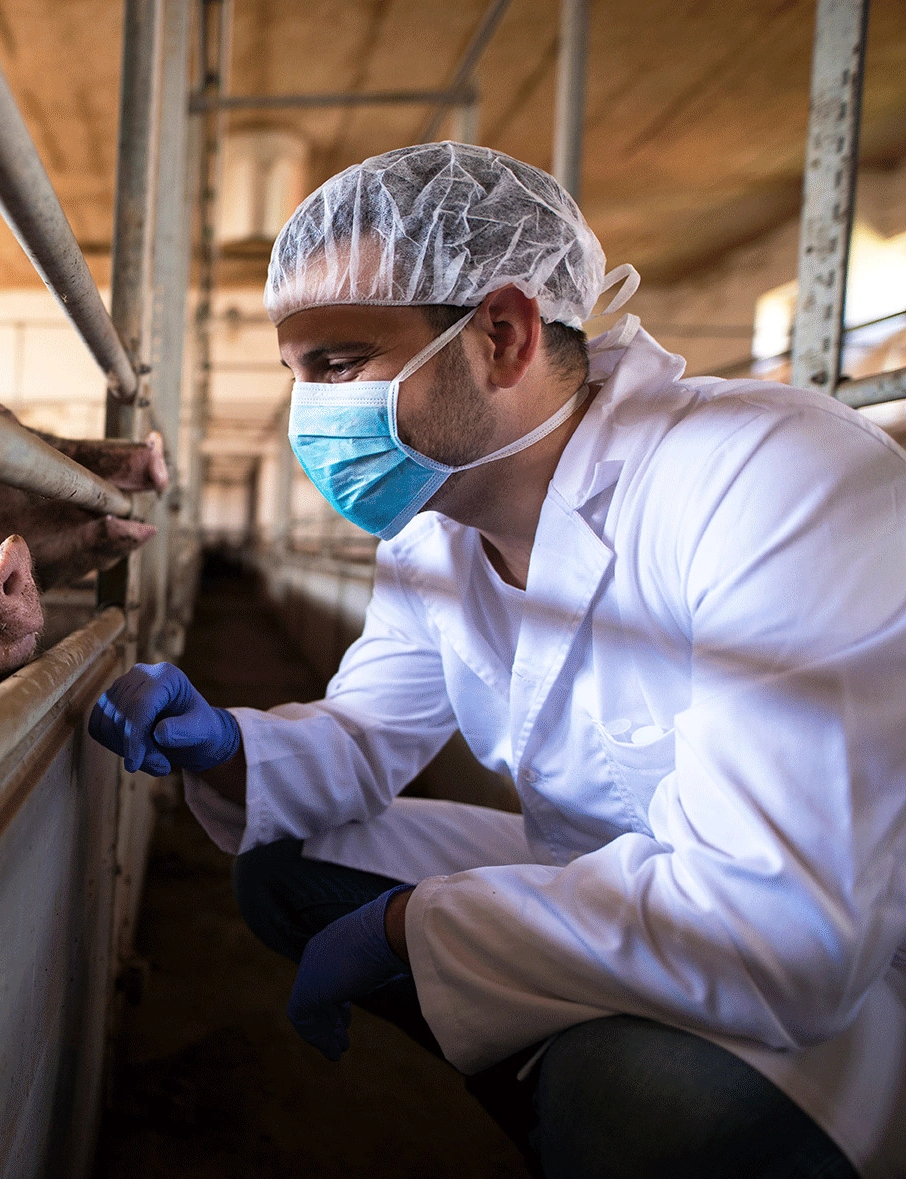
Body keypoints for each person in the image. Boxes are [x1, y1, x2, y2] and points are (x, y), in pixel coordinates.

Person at [90, 142, 906, 1178]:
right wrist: (224, 747)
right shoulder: (430, 530)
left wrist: (405, 926)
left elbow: (782, 929)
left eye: (338, 365)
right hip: (599, 877)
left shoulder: (769, 477)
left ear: (502, 335)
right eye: (297, 376)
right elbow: (365, 735)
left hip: (833, 957)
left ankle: (591, 1087)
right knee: (284, 869)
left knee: (640, 1113)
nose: (311, 416)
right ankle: (545, 1062)